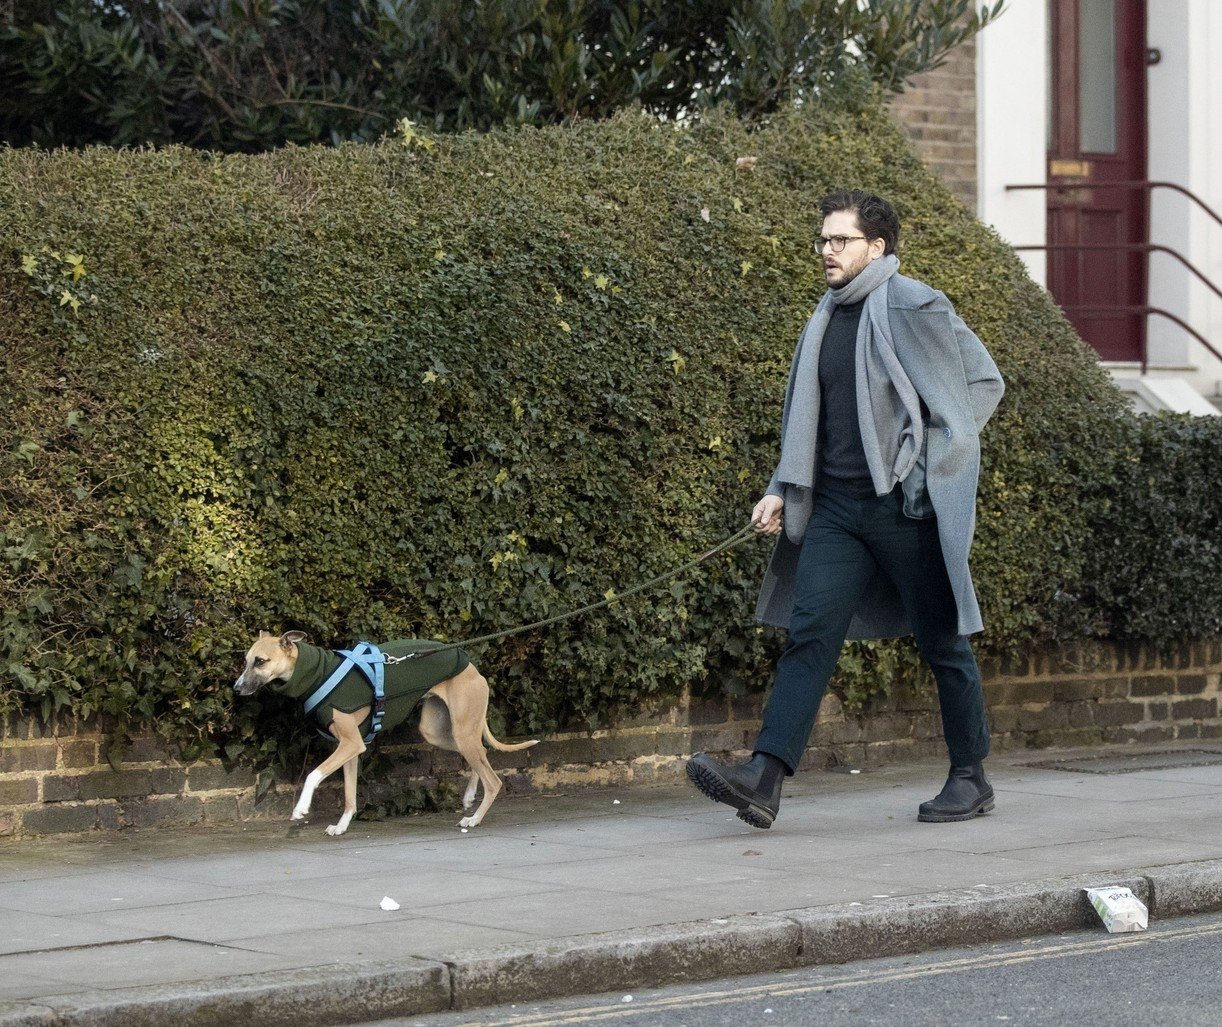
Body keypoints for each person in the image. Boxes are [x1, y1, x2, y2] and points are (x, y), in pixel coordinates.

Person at [687, 190, 1005, 829]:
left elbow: (982, 383)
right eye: (824, 240)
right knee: (810, 634)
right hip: (833, 510)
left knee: (943, 643)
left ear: (877, 248)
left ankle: (971, 778)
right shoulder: (826, 316)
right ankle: (763, 779)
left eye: (842, 240)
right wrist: (780, 485)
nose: (827, 251)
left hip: (903, 510)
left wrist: (927, 462)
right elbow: (810, 420)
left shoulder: (915, 305)